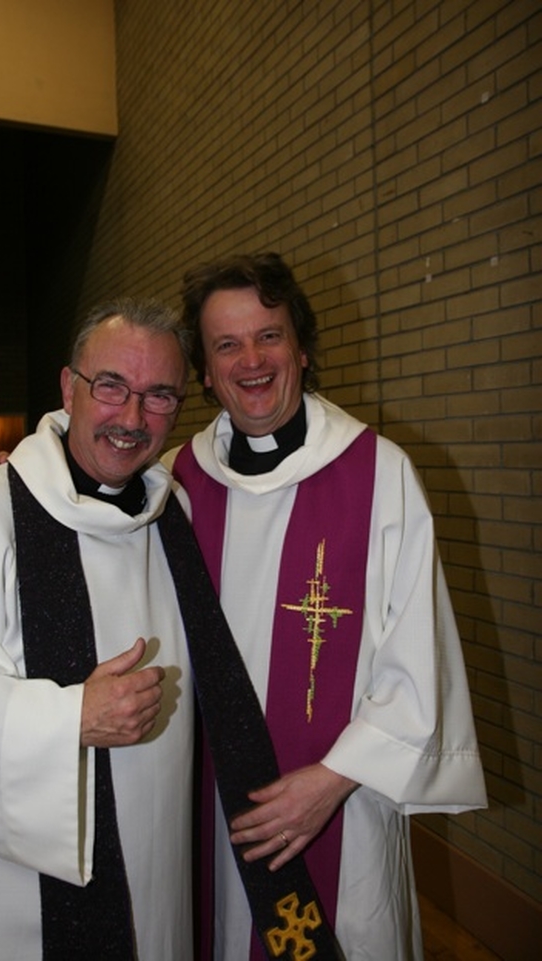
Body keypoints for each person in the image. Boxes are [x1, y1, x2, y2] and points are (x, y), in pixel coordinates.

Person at [167, 251, 488, 961]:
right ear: (205, 370)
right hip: (212, 808)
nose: (251, 359)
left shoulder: (380, 474)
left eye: (269, 335)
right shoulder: (177, 484)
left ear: (302, 348)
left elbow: (419, 661)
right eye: (226, 344)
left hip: (343, 808)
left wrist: (332, 781)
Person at [0, 298, 195, 960]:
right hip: (9, 889)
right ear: (69, 387)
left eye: (158, 396)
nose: (131, 416)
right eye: (112, 385)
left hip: (150, 864)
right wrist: (70, 719)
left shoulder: (173, 517)